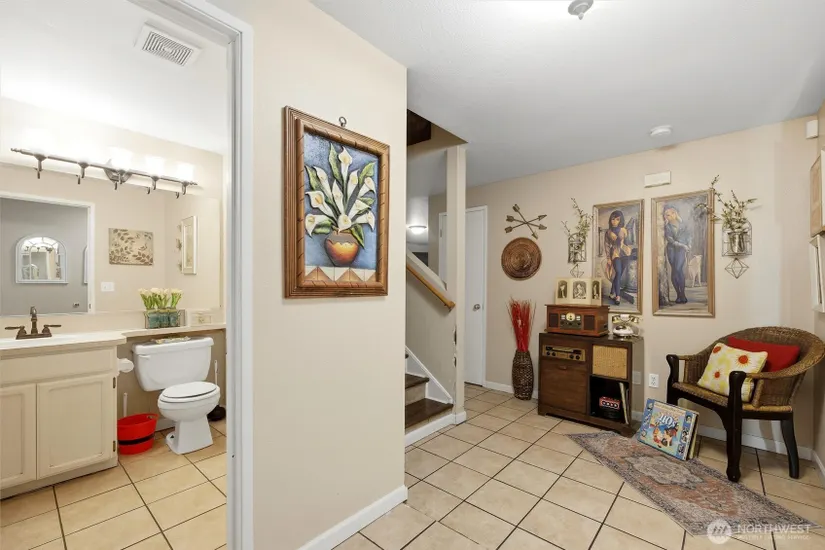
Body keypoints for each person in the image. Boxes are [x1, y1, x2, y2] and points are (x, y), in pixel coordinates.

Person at [603, 210, 636, 305]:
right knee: (618, 272)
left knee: (619, 274)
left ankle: (612, 292)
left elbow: (628, 242)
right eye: (613, 219)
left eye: (617, 219)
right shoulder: (608, 232)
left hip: (625, 254)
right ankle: (617, 296)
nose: (615, 221)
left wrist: (628, 248)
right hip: (615, 254)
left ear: (620, 220)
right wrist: (608, 258)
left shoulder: (624, 230)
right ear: (610, 220)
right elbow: (606, 246)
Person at [663, 205, 691, 304]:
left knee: (679, 269)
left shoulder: (684, 224)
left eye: (668, 215)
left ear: (674, 214)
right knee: (674, 270)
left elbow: (688, 236)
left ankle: (682, 294)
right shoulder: (667, 227)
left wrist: (689, 245)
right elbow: (670, 240)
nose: (666, 217)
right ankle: (679, 295)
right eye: (665, 215)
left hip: (681, 250)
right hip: (672, 250)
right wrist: (683, 245)